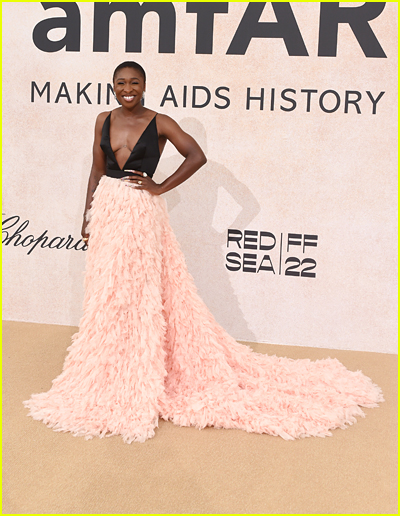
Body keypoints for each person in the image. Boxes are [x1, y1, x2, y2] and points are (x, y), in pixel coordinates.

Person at [24, 62, 383, 444]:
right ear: (112, 87)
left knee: (142, 288)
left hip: (141, 212)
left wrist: (159, 187)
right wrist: (87, 214)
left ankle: (141, 366)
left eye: (134, 83)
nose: (127, 89)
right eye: (120, 83)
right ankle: (109, 362)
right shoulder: (102, 120)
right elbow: (97, 171)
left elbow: (197, 157)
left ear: (145, 85)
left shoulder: (161, 122)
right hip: (109, 210)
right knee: (107, 289)